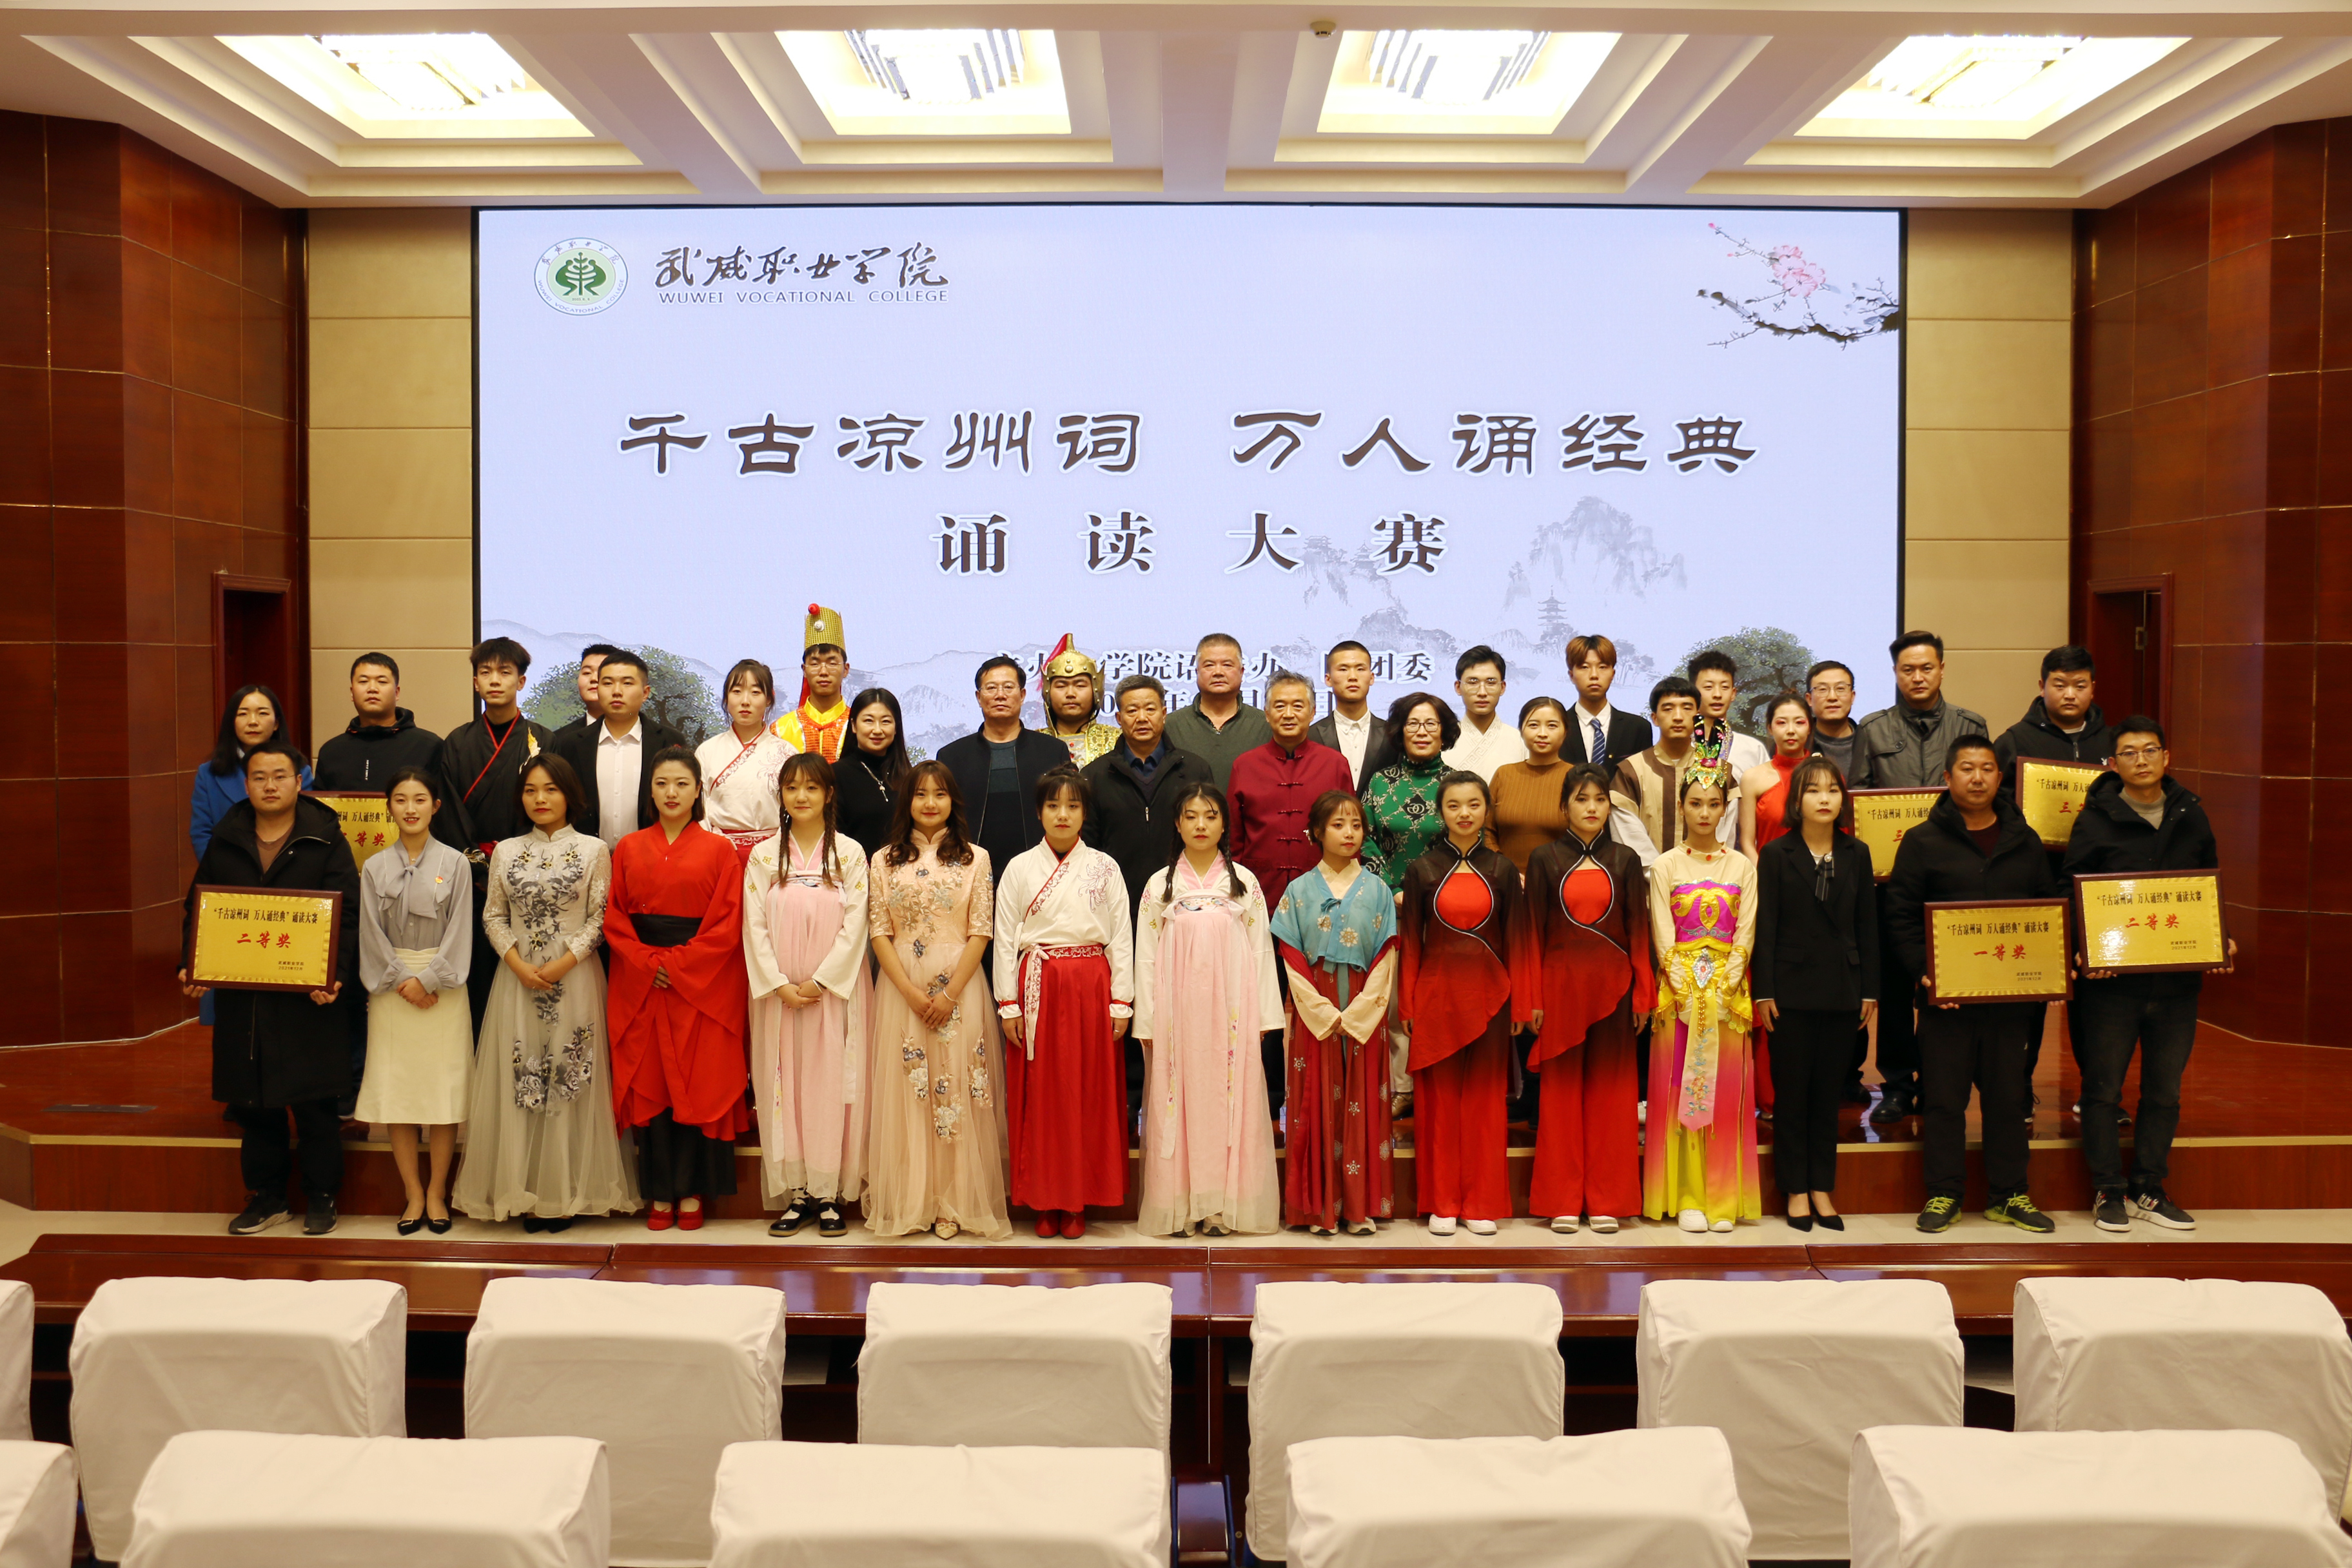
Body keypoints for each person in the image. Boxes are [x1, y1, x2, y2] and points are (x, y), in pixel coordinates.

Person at [179, 740, 358, 1237]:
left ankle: (322, 1196)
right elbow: (200, 907)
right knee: (253, 1101)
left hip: (309, 995)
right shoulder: (228, 837)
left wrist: (337, 974)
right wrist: (191, 964)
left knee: (316, 1102)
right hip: (248, 996)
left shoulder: (325, 836)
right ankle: (268, 1197)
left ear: (299, 782)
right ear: (247, 784)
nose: (270, 786)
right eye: (259, 778)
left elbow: (348, 914)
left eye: (280, 776)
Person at [454, 753, 638, 1230]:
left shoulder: (595, 850)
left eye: (551, 789)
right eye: (531, 790)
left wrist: (563, 963)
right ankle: (525, 1190)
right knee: (523, 1079)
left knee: (571, 1078)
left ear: (569, 794)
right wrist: (518, 964)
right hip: (517, 980)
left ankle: (565, 1192)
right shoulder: (506, 851)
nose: (540, 799)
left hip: (574, 977)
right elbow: (493, 915)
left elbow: (600, 918)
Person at [1885, 735, 2057, 1235]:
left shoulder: (2024, 839)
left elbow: (2047, 909)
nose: (1977, 778)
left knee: (2008, 1100)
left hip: (2010, 1002)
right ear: (1948, 777)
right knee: (1944, 1100)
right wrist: (1925, 970)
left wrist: (2049, 964)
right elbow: (1901, 916)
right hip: (1946, 1001)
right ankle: (1944, 1193)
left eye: (1986, 769)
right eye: (1967, 768)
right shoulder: (1922, 841)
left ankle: (2009, 1194)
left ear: (2000, 778)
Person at [2063, 716, 2227, 1235]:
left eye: (2150, 750)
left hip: (2176, 984)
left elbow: (2207, 886)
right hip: (2112, 986)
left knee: (2164, 1092)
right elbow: (2073, 891)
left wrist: (2218, 937)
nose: (2141, 760)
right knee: (2102, 1090)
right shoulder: (2095, 820)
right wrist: (2082, 949)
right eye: (2130, 753)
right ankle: (2108, 1189)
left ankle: (2149, 1188)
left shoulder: (2191, 814)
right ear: (2114, 764)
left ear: (2166, 757)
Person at [603, 748, 751, 1231]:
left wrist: (678, 964)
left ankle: (692, 1193)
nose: (672, 793)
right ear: (650, 790)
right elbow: (615, 919)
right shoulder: (628, 848)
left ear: (698, 790)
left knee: (698, 1082)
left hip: (700, 984)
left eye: (682, 784)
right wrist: (649, 963)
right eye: (662, 783)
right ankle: (660, 1194)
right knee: (653, 1088)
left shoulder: (719, 850)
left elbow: (727, 921)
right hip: (644, 980)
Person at [864, 760, 1009, 1240]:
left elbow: (981, 930)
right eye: (920, 794)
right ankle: (913, 1199)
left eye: (940, 794)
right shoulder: (883, 859)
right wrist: (908, 991)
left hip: (961, 986)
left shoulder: (976, 858)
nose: (930, 803)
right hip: (900, 986)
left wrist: (948, 993)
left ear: (953, 801)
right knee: (909, 1091)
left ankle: (952, 1202)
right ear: (907, 801)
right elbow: (880, 932)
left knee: (957, 1090)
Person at [1133, 783, 1284, 1237]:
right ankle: (1179, 1203)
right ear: (1177, 825)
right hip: (1176, 1014)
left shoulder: (1243, 883)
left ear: (1224, 825)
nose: (1201, 825)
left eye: (1211, 816)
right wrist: (1147, 1020)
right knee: (1178, 1100)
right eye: (1191, 816)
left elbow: (1261, 949)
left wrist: (1265, 1017)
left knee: (1228, 1101)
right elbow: (1145, 955)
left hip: (1233, 1012)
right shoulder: (1160, 885)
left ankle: (1222, 1204)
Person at [995, 767, 1135, 1239]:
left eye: (1073, 806)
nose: (1062, 815)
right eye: (1053, 805)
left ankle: (1078, 1200)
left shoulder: (1105, 867)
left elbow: (1121, 936)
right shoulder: (1019, 868)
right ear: (1039, 812)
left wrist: (1121, 1001)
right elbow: (1004, 939)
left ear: (1084, 813)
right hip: (1038, 987)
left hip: (1091, 986)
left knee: (1086, 1092)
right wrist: (1008, 1004)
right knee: (1042, 1096)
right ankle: (1044, 1198)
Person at [1516, 763, 1652, 1234]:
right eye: (1582, 799)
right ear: (1564, 807)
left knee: (1612, 1096)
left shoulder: (1626, 859)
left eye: (1600, 799)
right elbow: (1531, 932)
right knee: (1560, 1098)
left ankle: (1608, 1198)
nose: (1592, 807)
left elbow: (1639, 931)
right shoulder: (1544, 858)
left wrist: (1643, 995)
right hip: (1560, 991)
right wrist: (1532, 997)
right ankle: (1562, 1199)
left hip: (1616, 991)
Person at [1856, 633, 1985, 1126]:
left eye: (1926, 668)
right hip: (1893, 884)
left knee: (1946, 985)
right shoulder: (1874, 728)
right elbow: (1859, 800)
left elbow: (1982, 794)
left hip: (1953, 880)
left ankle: (1938, 1082)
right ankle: (1897, 1084)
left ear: (1942, 669)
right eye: (1907, 669)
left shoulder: (1970, 726)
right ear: (1896, 673)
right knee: (1893, 989)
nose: (1917, 677)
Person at [743, 753, 872, 1238]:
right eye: (792, 788)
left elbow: (857, 923)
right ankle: (797, 1192)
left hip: (833, 993)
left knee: (831, 1086)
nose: (801, 797)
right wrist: (777, 982)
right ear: (780, 795)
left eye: (812, 788)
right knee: (784, 1086)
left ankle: (829, 1192)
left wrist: (822, 981)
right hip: (779, 996)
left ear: (829, 794)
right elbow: (753, 924)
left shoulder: (850, 853)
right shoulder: (763, 855)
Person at [1750, 757, 1877, 1231]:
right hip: (1789, 992)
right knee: (1793, 1095)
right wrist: (1764, 991)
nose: (1824, 799)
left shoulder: (1857, 853)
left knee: (1828, 1095)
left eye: (1832, 790)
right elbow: (1766, 927)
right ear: (1796, 800)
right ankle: (1796, 1189)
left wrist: (1870, 990)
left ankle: (1822, 1186)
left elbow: (1867, 924)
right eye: (1813, 790)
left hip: (1843, 989)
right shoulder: (1776, 853)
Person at [1400, 770, 1525, 1235]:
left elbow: (1517, 941)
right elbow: (1411, 942)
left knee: (1484, 1104)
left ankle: (1481, 1202)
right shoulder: (1422, 869)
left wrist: (1520, 1003)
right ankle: (1443, 1201)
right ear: (1441, 813)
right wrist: (1408, 1005)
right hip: (1436, 995)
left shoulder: (1503, 870)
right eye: (1453, 805)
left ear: (1487, 810)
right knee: (1439, 1104)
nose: (1464, 813)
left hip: (1491, 997)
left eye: (1474, 804)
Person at [1271, 792, 1400, 1235]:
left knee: (1363, 1098)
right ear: (1316, 833)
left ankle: (1359, 1208)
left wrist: (1361, 1012)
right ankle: (1319, 1208)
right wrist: (1321, 1011)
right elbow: (1290, 956)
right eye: (1338, 825)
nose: (1349, 834)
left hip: (1365, 1003)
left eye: (1356, 825)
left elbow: (1385, 955)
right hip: (1315, 1006)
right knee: (1317, 1101)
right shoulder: (1298, 890)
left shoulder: (1379, 889)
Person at [351, 766, 471, 1236]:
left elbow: (461, 930)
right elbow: (369, 932)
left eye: (420, 799)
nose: (410, 808)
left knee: (442, 1094)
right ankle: (413, 1193)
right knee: (399, 1093)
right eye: (401, 799)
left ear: (435, 806)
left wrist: (431, 979)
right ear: (389, 807)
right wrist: (404, 979)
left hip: (443, 989)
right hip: (392, 989)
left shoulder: (457, 864)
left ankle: (437, 1192)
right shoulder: (374, 867)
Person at [1644, 769, 1760, 1233]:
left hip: (1729, 995)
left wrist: (1726, 985)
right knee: (1681, 1091)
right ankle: (1688, 1196)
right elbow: (1662, 933)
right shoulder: (1665, 865)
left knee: (1726, 1093)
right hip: (1679, 996)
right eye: (1695, 803)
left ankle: (1722, 1197)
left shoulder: (1742, 867)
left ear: (1725, 809)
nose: (1705, 813)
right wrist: (1685, 989)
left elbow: (1746, 932)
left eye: (1714, 804)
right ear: (1682, 808)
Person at [433, 638, 552, 1030]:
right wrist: (478, 865)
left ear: (521, 681)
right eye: (486, 673)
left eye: (505, 672)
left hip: (527, 874)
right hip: (469, 877)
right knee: (476, 975)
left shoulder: (542, 740)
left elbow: (548, 806)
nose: (495, 681)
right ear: (475, 682)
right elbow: (448, 811)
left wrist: (513, 860)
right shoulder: (457, 742)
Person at [188, 683, 307, 1026]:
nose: (253, 721)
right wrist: (237, 877)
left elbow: (305, 829)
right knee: (233, 999)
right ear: (232, 721)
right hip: (231, 895)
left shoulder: (300, 769)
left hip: (286, 895)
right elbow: (202, 833)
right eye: (243, 713)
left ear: (276, 722)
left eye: (262, 713)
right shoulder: (209, 773)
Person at [1228, 671, 1354, 914]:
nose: (1288, 714)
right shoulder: (1244, 765)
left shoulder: (1335, 764)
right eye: (1279, 706)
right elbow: (1234, 839)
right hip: (1259, 891)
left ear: (1313, 712)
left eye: (1298, 706)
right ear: (1267, 714)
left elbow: (1352, 833)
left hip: (1325, 892)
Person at [937, 655, 1070, 876]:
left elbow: (1069, 813)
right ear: (979, 697)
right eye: (991, 688)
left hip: (1042, 873)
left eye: (1008, 687)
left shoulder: (1052, 751)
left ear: (1023, 695)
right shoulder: (952, 756)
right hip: (968, 872)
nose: (1000, 695)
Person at [549, 651, 688, 851]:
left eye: (627, 683)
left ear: (645, 693)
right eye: (607, 683)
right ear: (598, 689)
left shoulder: (668, 741)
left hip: (652, 855)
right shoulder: (571, 744)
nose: (616, 691)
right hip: (584, 857)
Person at [696, 658, 795, 865]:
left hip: (774, 856)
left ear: (769, 699)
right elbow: (698, 808)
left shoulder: (787, 753)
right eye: (737, 691)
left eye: (755, 692)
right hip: (718, 854)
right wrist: (713, 843)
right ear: (726, 698)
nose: (745, 701)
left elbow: (795, 811)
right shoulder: (706, 751)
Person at [1361, 692, 1460, 894]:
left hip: (1445, 898)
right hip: (1384, 898)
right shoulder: (1380, 782)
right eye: (1413, 724)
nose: (1422, 732)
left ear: (1444, 733)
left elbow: (1472, 846)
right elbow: (1362, 839)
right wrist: (1391, 891)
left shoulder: (1460, 785)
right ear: (1401, 732)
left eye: (1431, 724)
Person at [1608, 676, 1707, 867]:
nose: (1678, 717)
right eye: (1668, 709)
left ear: (1698, 716)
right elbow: (1628, 836)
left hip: (1708, 880)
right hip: (1647, 881)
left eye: (1687, 708)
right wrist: (1660, 876)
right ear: (1654, 718)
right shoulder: (1630, 771)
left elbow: (1725, 834)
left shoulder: (1717, 770)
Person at [311, 653, 443, 791]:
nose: (372, 689)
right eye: (363, 682)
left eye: (382, 682)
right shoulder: (331, 751)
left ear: (397, 693)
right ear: (352, 693)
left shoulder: (428, 746)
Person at [1994, 645, 2114, 796]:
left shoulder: (2114, 741)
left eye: (2080, 686)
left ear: (2092, 689)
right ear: (2042, 687)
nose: (2070, 695)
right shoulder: (2015, 741)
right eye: (2060, 686)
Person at [1164, 633, 1272, 789]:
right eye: (1209, 665)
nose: (1218, 672)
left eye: (1227, 665)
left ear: (1242, 672)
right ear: (1197, 672)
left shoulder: (1267, 724)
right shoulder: (1170, 725)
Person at [1490, 696, 1575, 874]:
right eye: (1534, 725)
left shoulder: (1577, 778)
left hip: (1561, 880)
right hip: (1505, 879)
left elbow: (1590, 835)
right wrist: (1504, 869)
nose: (1542, 733)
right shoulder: (1504, 775)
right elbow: (1485, 831)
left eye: (1552, 726)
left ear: (1566, 732)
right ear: (1521, 731)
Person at [1687, 651, 1770, 808]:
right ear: (1693, 692)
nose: (1717, 694)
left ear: (1733, 693)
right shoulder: (1680, 747)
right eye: (1708, 687)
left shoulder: (1754, 749)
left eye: (1725, 687)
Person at [770, 605, 852, 763]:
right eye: (815, 664)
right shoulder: (780, 730)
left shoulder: (859, 727)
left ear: (846, 669)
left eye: (832, 663)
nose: (823, 671)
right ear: (804, 670)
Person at [834, 688, 911, 855]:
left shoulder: (909, 777)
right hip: (854, 868)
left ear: (896, 728)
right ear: (854, 725)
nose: (877, 730)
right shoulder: (835, 775)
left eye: (886, 722)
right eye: (869, 721)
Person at [1736, 695, 1818, 850]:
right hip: (1767, 865)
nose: (1791, 730)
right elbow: (1747, 843)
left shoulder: (1826, 776)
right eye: (1781, 723)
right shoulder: (1752, 779)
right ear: (1770, 728)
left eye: (1799, 723)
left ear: (1810, 727)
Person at [1561, 634, 1652, 772]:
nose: (1594, 675)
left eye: (1602, 667)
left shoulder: (1637, 728)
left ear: (1613, 674)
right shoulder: (1558, 728)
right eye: (1584, 667)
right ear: (1571, 675)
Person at [1308, 640, 1388, 789]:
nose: (1352, 677)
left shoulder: (1392, 734)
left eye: (1360, 669)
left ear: (1371, 678)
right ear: (1328, 679)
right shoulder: (1311, 736)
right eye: (1343, 669)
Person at [1442, 646, 1529, 781]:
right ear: (1458, 687)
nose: (1482, 692)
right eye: (1473, 682)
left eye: (1491, 683)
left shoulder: (1521, 741)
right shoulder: (1443, 740)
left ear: (1502, 687)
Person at [1039, 634, 1122, 767]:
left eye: (1080, 685)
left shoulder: (1117, 740)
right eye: (1061, 686)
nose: (1070, 694)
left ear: (1095, 690)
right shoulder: (1034, 743)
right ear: (1048, 692)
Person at [547, 643, 624, 744]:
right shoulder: (558, 741)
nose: (594, 679)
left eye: (602, 672)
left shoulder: (643, 735)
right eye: (587, 673)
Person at [1804, 661, 1863, 784]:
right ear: (1809, 699)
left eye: (1840, 689)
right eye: (1822, 689)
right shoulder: (1799, 744)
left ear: (1852, 697)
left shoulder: (1870, 742)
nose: (1832, 697)